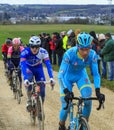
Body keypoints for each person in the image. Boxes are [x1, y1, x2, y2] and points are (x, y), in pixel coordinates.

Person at [58, 32, 105, 130]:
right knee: (66, 104)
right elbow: (60, 75)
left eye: (87, 49)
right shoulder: (69, 54)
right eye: (82, 49)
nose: (85, 52)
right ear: (77, 46)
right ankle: (61, 125)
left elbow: (96, 74)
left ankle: (83, 125)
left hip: (81, 76)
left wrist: (98, 91)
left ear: (90, 47)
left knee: (87, 100)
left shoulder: (92, 55)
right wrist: (66, 91)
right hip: (67, 78)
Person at [20, 36, 55, 112]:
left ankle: (40, 107)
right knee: (29, 81)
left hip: (38, 69)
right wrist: (25, 79)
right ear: (30, 46)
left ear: (39, 46)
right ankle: (29, 100)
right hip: (28, 69)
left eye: (36, 47)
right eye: (32, 47)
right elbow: (23, 66)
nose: (34, 49)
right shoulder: (24, 52)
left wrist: (51, 77)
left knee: (42, 90)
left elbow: (48, 65)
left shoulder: (44, 52)